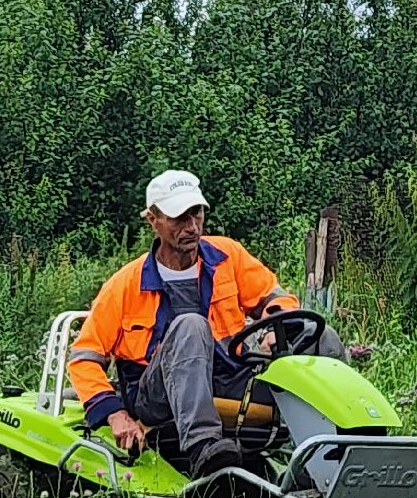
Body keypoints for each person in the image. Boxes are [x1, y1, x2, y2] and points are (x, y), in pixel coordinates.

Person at [66, 169, 329, 477]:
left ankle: (341, 443)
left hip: (231, 378)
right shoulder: (125, 284)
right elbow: (84, 357)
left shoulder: (227, 255)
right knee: (190, 325)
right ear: (153, 220)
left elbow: (276, 298)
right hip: (157, 395)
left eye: (197, 214)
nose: (192, 227)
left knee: (318, 334)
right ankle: (205, 450)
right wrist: (115, 415)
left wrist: (275, 326)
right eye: (180, 218)